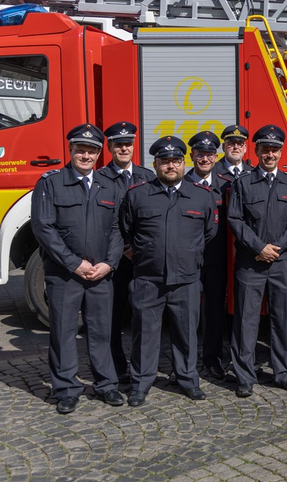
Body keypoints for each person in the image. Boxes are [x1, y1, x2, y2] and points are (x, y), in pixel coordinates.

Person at [32, 123, 125, 414]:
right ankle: (66, 389)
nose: (86, 155)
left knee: (102, 331)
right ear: (70, 150)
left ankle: (106, 384)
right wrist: (74, 263)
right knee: (63, 331)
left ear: (99, 154)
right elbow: (43, 228)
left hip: (99, 274)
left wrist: (109, 264)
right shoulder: (51, 182)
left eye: (91, 151)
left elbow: (117, 229)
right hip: (64, 274)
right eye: (80, 150)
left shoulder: (109, 185)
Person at [120, 136, 218, 407]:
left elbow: (209, 232)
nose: (171, 166)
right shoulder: (137, 195)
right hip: (148, 279)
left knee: (186, 333)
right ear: (155, 164)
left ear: (184, 163)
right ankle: (141, 383)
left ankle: (188, 380)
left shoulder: (201, 196)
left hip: (186, 279)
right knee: (144, 334)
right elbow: (126, 231)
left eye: (176, 161)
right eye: (165, 161)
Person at [228, 125, 287, 397]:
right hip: (251, 263)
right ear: (257, 151)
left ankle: (284, 373)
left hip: (282, 262)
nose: (270, 154)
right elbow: (235, 219)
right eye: (265, 149)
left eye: (274, 150)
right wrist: (259, 247)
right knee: (246, 321)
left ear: (280, 152)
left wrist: (279, 246)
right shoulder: (243, 183)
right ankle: (244, 377)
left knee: (282, 319)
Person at [98, 121, 156, 385]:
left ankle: (142, 368)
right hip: (112, 260)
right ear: (109, 147)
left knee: (144, 317)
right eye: (119, 144)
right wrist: (122, 249)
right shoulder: (98, 179)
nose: (124, 148)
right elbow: (101, 221)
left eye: (128, 144)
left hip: (142, 260)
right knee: (111, 317)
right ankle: (116, 367)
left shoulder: (147, 177)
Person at [185, 131, 231, 380]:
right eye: (200, 154)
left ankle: (212, 359)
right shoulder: (179, 184)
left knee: (213, 312)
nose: (205, 159)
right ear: (192, 155)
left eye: (210, 154)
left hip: (215, 260)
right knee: (186, 314)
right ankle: (186, 362)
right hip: (186, 261)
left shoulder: (226, 186)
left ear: (216, 156)